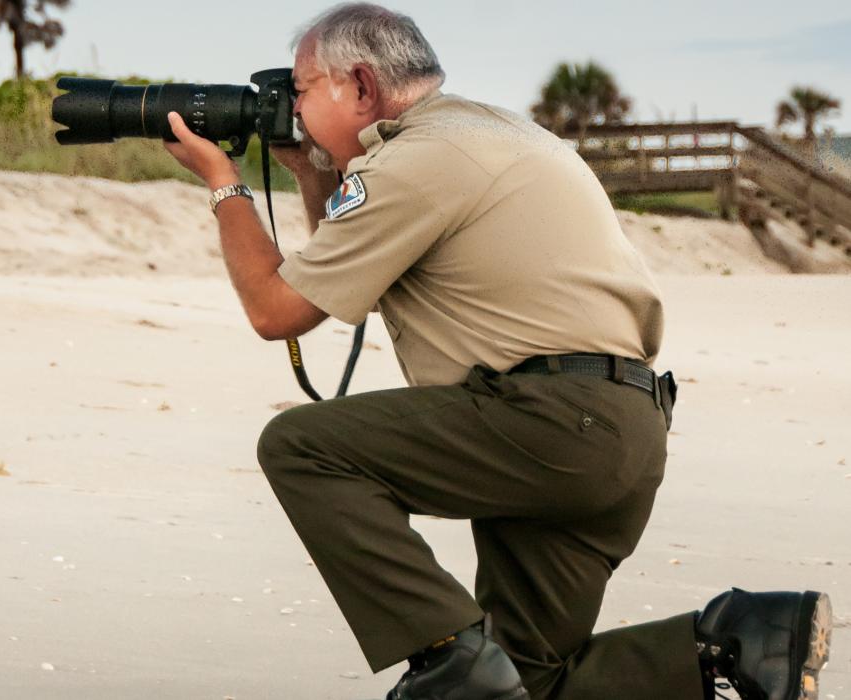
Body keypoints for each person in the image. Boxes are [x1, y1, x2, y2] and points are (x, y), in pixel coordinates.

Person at [162, 4, 832, 698]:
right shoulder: (481, 131)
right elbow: (346, 259)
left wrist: (224, 182)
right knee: (526, 680)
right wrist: (311, 174)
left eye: (300, 88)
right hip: (623, 431)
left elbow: (277, 311)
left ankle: (445, 651)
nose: (290, 107)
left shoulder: (416, 160)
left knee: (301, 448)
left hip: (549, 421)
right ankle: (738, 639)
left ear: (360, 86)